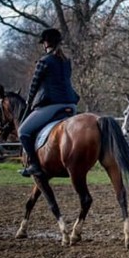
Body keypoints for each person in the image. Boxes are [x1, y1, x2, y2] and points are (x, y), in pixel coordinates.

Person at [18, 28, 80, 177]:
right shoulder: (66, 61)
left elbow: (34, 85)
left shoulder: (44, 61)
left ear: (46, 43)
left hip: (52, 105)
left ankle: (34, 165)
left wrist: (29, 101)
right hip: (71, 105)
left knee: (23, 131)